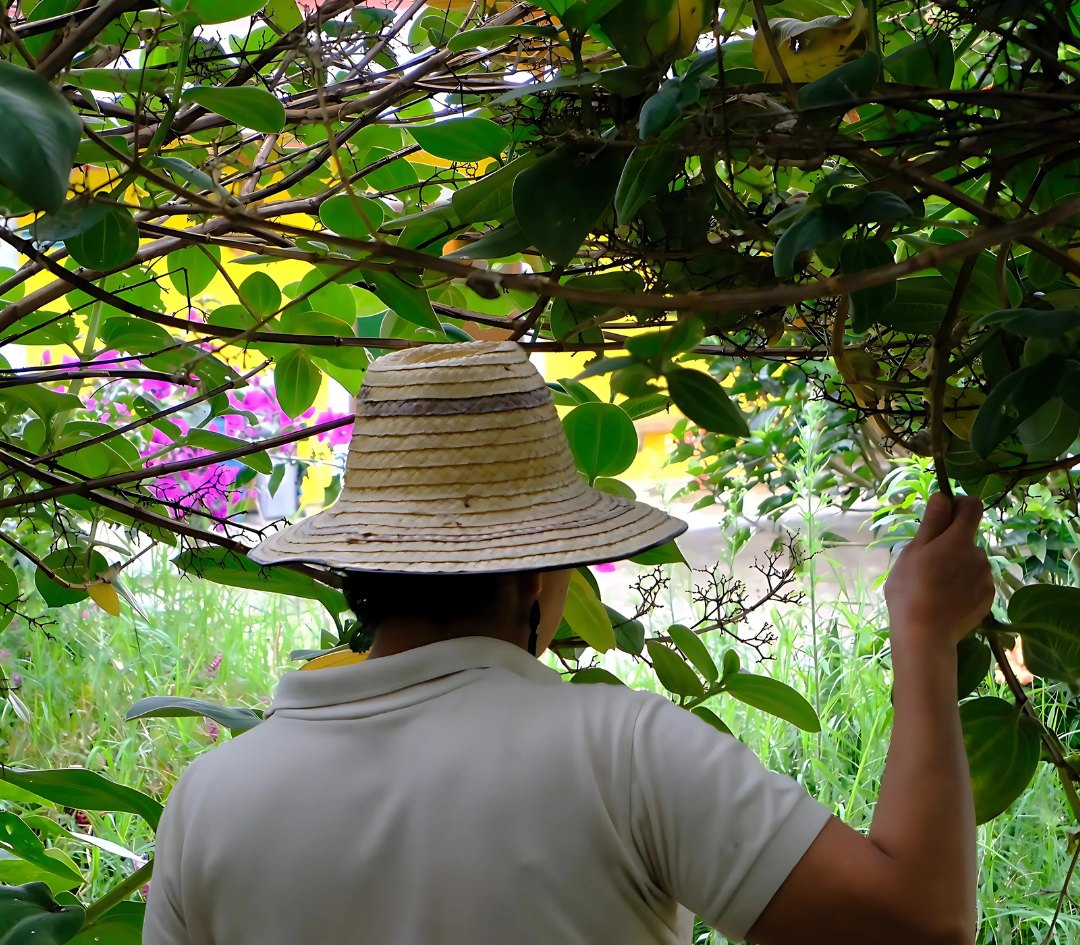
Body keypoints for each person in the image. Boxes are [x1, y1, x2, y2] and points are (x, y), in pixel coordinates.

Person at [143, 341, 994, 945]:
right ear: (538, 575)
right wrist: (922, 637)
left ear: (361, 570)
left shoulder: (209, 800)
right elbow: (917, 922)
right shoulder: (623, 752)